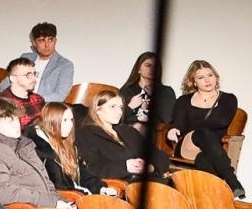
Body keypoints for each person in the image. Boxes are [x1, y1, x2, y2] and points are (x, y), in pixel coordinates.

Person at [0, 98, 71, 209]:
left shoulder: (24, 145)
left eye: (17, 119)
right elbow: (1, 192)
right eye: (10, 121)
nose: (16, 125)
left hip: (45, 206)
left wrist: (62, 202)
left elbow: (46, 184)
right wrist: (52, 203)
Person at [167, 60, 244, 197]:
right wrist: (173, 129)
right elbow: (178, 123)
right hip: (188, 145)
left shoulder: (228, 99)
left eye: (210, 75)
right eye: (201, 77)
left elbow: (222, 121)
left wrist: (192, 125)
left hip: (213, 149)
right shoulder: (184, 100)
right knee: (202, 133)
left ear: (216, 77)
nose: (207, 80)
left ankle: (214, 199)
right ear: (194, 82)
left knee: (204, 159)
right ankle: (232, 180)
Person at [78, 89, 160, 183]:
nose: (119, 112)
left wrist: (152, 167)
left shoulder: (127, 130)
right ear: (97, 110)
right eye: (113, 107)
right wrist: (126, 166)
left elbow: (158, 155)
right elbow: (90, 169)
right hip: (122, 185)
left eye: (121, 107)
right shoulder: (86, 134)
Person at [31, 103, 107, 195]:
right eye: (65, 120)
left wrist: (99, 188)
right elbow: (58, 187)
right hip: (64, 201)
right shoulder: (41, 152)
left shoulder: (68, 143)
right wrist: (84, 195)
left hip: (79, 195)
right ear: (51, 122)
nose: (70, 125)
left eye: (71, 120)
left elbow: (82, 174)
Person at [16, 23, 73, 107]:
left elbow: (59, 95)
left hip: (44, 108)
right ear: (34, 43)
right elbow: (6, 82)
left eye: (50, 40)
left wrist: (31, 100)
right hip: (18, 105)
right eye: (42, 40)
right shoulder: (25, 58)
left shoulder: (65, 65)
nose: (47, 45)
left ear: (55, 41)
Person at [119, 51, 175, 134]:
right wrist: (130, 107)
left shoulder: (166, 92)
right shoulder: (126, 91)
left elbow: (168, 119)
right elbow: (118, 118)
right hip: (129, 134)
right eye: (148, 65)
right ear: (138, 69)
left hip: (155, 133)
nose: (152, 69)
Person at [0, 58, 45, 131]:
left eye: (34, 74)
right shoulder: (3, 102)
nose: (34, 79)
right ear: (13, 79)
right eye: (28, 75)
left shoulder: (38, 99)